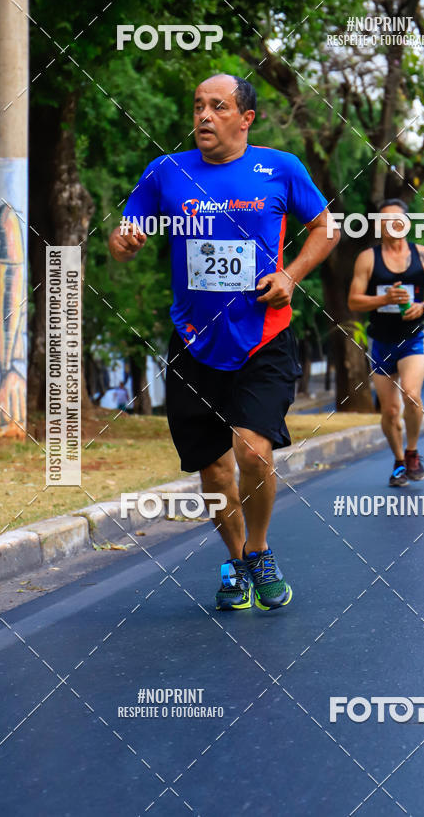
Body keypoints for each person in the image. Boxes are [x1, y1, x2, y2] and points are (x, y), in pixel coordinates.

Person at [108, 74, 339, 610]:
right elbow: (127, 232)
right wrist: (124, 241)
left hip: (264, 336)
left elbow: (327, 228)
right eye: (197, 107)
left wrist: (291, 277)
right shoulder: (167, 172)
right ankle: (236, 561)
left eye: (218, 107)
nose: (204, 117)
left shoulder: (280, 168)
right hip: (192, 342)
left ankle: (258, 552)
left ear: (246, 118)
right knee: (213, 468)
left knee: (252, 450)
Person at [347, 199, 424, 487]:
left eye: (396, 219)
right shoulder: (368, 258)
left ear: (407, 222)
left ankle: (413, 451)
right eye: (384, 220)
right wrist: (384, 299)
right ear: (378, 226)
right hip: (380, 341)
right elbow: (353, 300)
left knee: (412, 395)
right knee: (390, 412)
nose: (391, 225)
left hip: (413, 337)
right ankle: (399, 461)